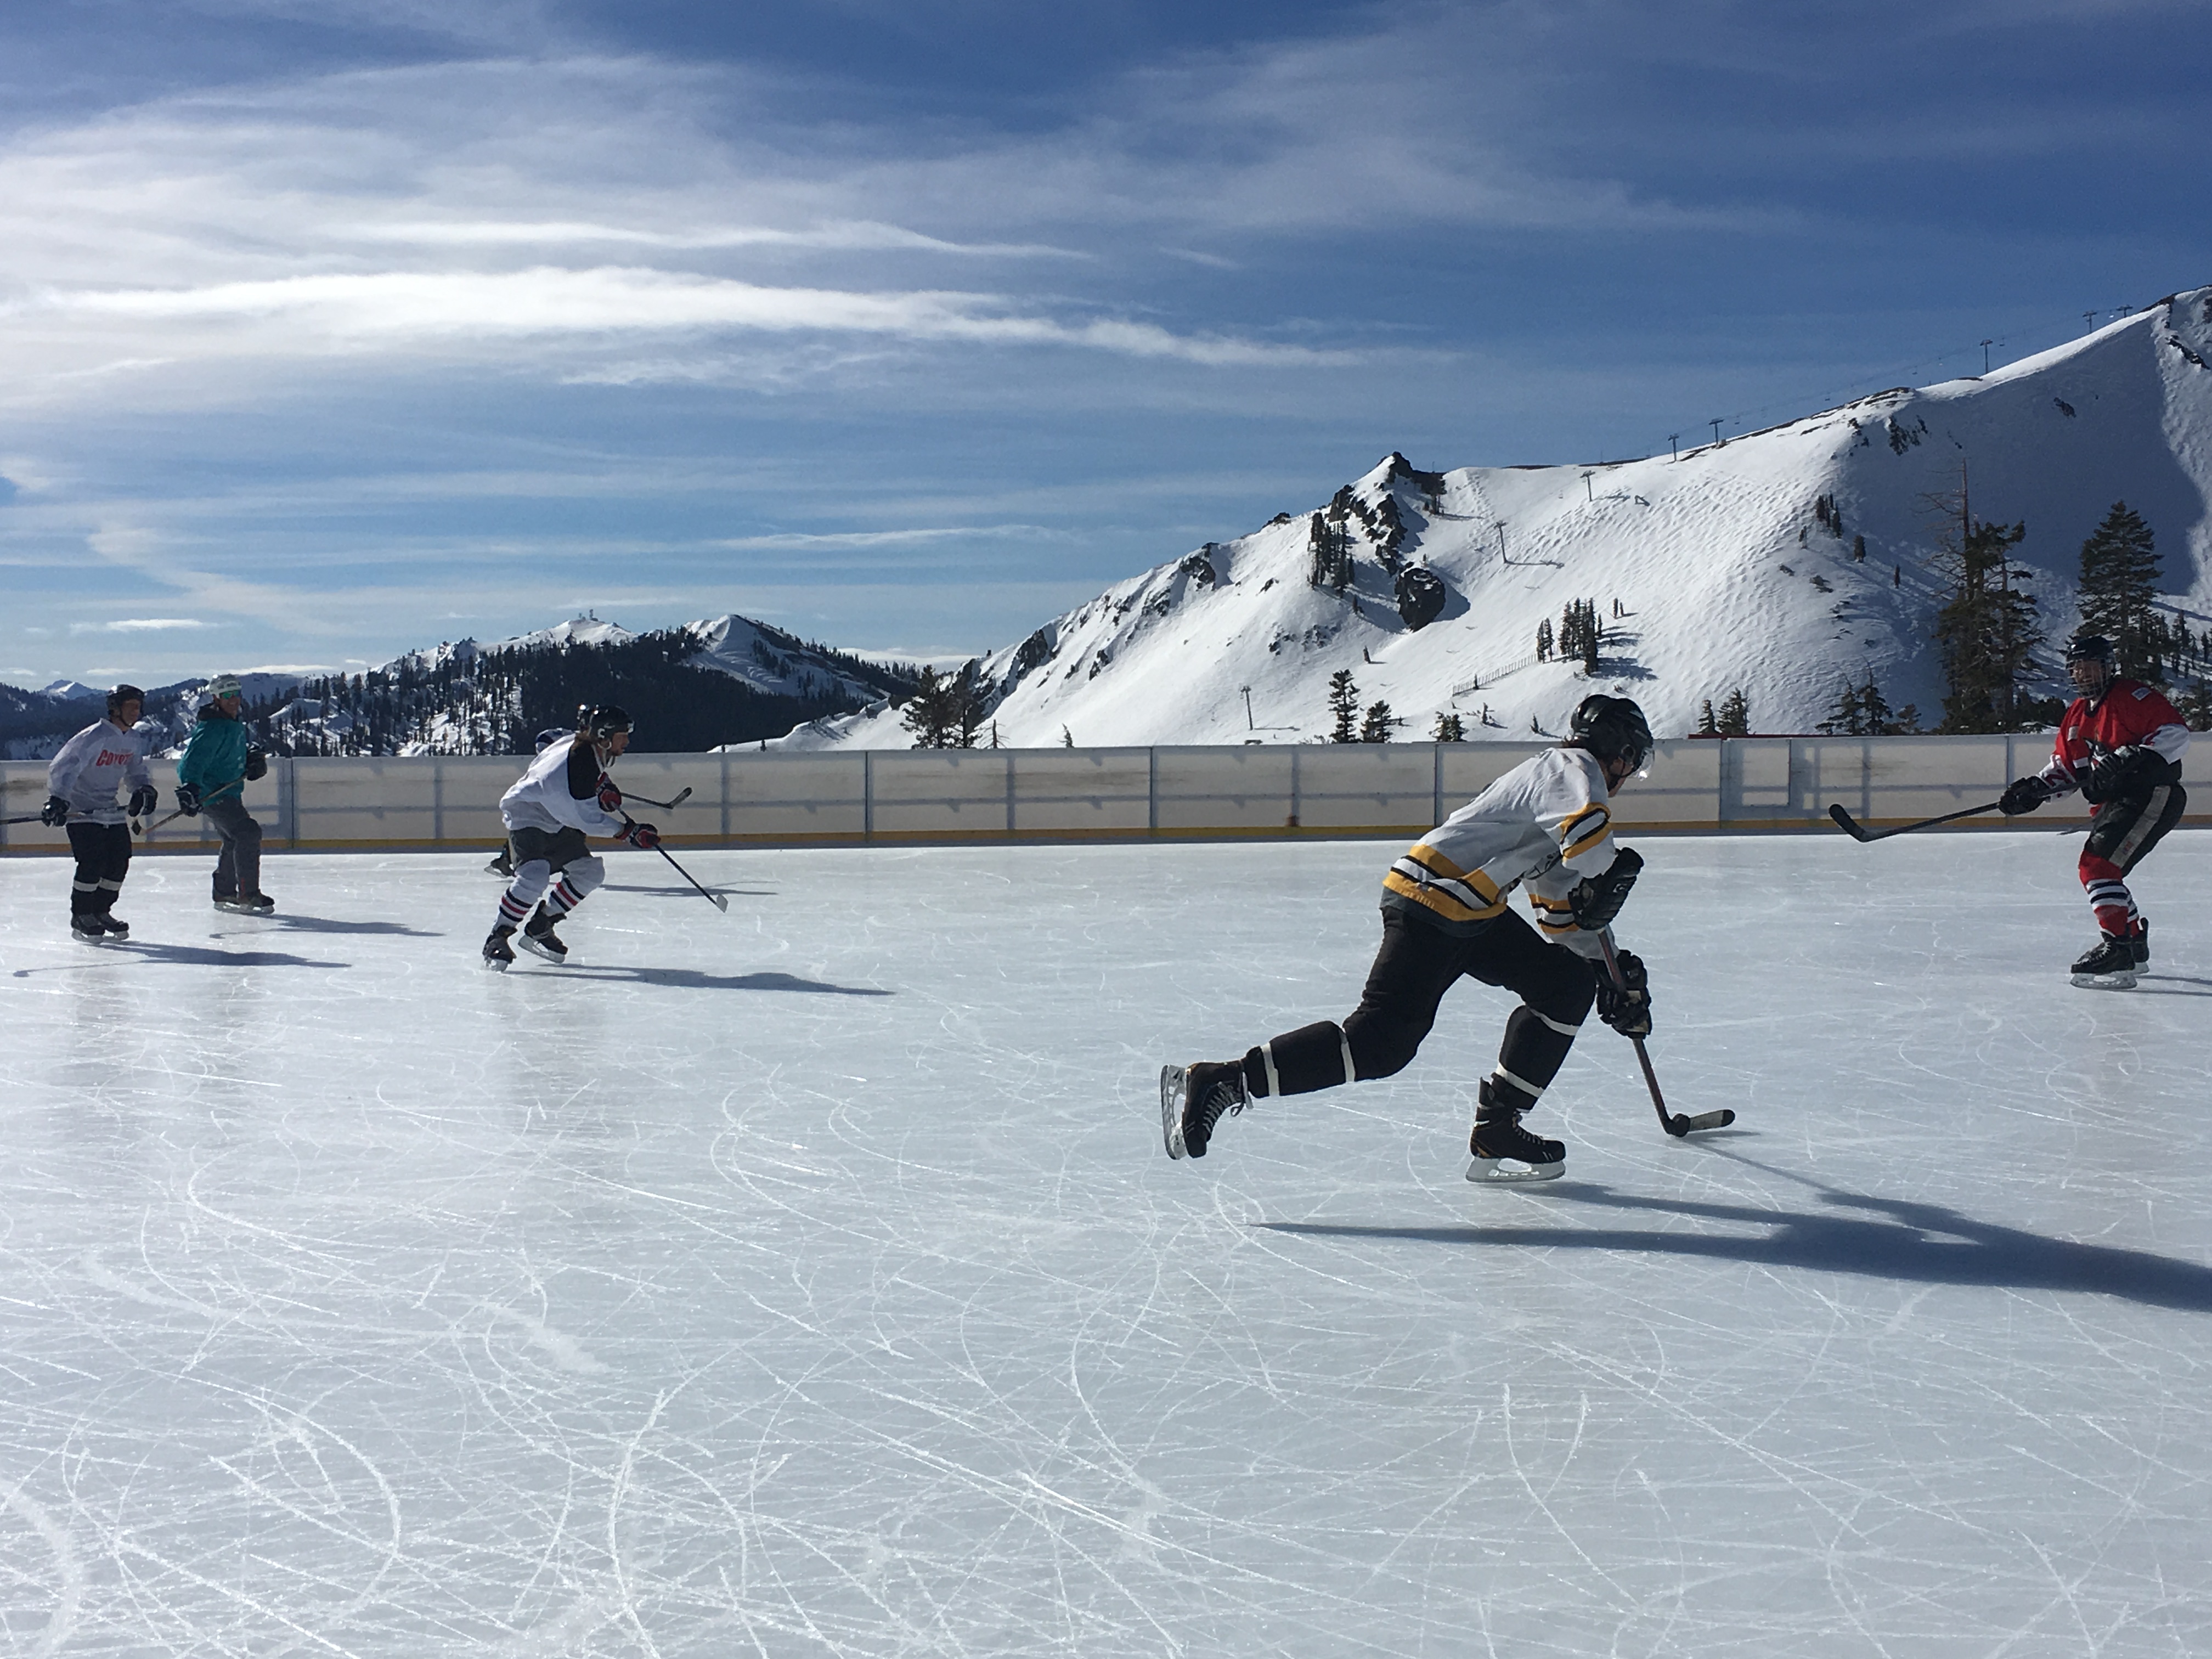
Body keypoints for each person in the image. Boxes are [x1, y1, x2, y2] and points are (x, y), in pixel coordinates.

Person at [1160, 695, 1657, 1182]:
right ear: (1623, 754)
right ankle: (1224, 1079)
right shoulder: (1573, 769)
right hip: (1433, 900)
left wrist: (1607, 968)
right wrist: (1614, 877)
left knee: (1566, 984)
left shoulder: (1559, 791)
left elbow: (1563, 914)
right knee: (1380, 1043)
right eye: (1632, 765)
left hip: (1469, 910)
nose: (1628, 777)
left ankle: (1498, 1128)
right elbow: (1592, 855)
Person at [1999, 631, 2189, 988]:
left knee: (2097, 867)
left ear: (2108, 667)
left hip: (2150, 793)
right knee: (2105, 871)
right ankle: (2132, 941)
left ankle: (2118, 948)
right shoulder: (2075, 715)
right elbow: (2068, 769)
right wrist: (2036, 789)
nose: (2084, 675)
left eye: (2091, 667)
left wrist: (2136, 755)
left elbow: (2176, 734)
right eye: (2077, 669)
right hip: (2113, 803)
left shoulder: (2132, 697)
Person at [483, 704, 659, 969]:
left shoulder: (584, 746)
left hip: (557, 819)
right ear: (605, 736)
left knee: (590, 872)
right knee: (535, 874)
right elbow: (584, 818)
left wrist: (602, 786)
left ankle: (541, 926)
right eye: (623, 736)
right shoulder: (578, 767)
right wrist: (628, 832)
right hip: (528, 816)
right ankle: (497, 937)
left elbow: (556, 747)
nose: (628, 741)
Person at [43, 684, 157, 941]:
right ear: (115, 708)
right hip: (82, 812)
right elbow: (65, 766)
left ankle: (101, 910)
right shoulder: (93, 737)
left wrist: (144, 789)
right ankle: (82, 915)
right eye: (130, 706)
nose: (135, 712)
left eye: (138, 707)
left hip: (110, 811)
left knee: (119, 862)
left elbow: (136, 771)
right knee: (92, 863)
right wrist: (59, 799)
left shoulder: (132, 739)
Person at [174, 672, 273, 913]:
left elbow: (229, 754)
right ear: (216, 698)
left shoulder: (232, 723)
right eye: (227, 695)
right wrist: (190, 788)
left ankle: (224, 891)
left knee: (233, 838)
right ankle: (248, 894)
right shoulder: (212, 727)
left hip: (229, 791)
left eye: (236, 694)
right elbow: (190, 763)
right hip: (213, 793)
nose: (233, 699)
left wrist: (250, 760)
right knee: (248, 833)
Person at [486, 716, 588, 877]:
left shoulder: (567, 746)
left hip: (550, 808)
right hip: (547, 806)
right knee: (530, 828)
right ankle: (508, 859)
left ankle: (508, 859)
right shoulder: (558, 756)